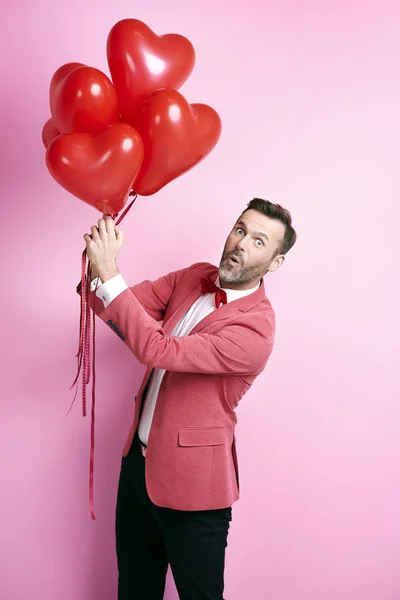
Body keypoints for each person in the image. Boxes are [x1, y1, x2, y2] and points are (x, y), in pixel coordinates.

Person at [83, 197, 297, 600]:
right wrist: (94, 266)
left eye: (258, 241)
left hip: (194, 489)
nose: (241, 244)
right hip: (137, 469)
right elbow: (120, 306)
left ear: (274, 262)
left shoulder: (255, 331)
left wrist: (110, 271)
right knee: (134, 589)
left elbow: (157, 349)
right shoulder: (195, 276)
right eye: (240, 230)